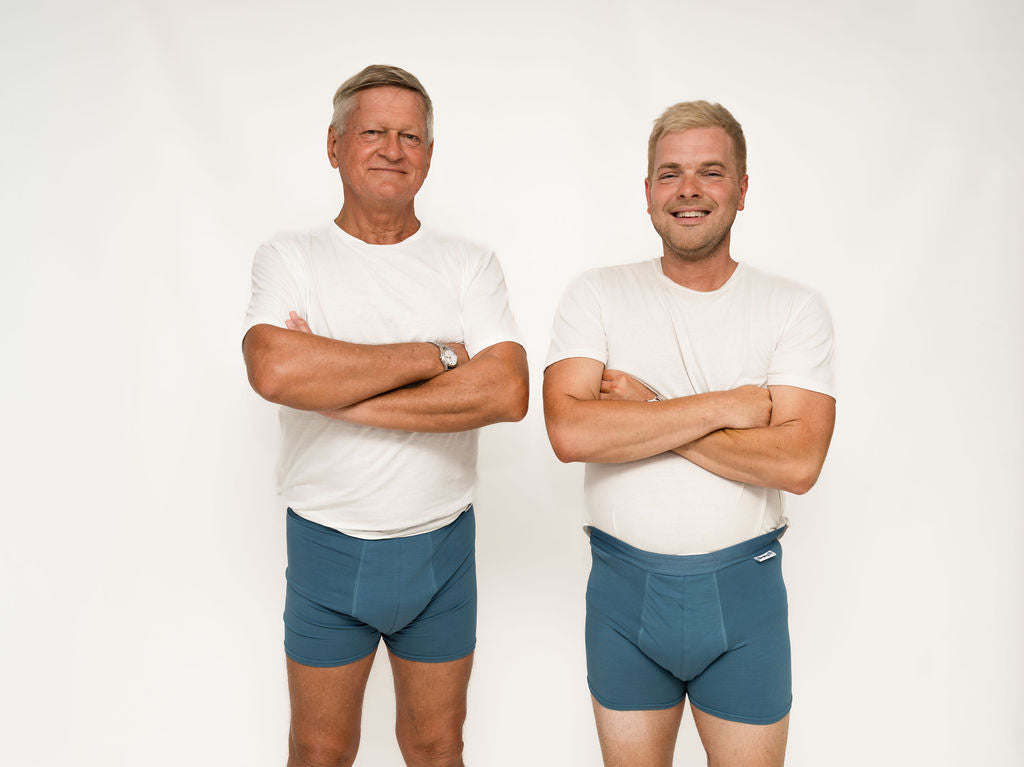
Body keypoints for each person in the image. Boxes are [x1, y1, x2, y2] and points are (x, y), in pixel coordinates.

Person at [242, 64, 528, 767]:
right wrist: (437, 353)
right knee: (319, 749)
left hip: (441, 550)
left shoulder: (468, 263)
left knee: (435, 747)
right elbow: (274, 370)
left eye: (410, 135)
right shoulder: (292, 256)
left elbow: (507, 392)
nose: (392, 148)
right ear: (335, 145)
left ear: (429, 154)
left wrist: (336, 382)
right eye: (373, 131)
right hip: (327, 546)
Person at [543, 101, 836, 767]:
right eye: (670, 174)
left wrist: (653, 412)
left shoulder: (791, 307)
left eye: (710, 172)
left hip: (744, 604)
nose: (689, 190)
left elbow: (797, 460)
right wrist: (727, 407)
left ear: (741, 187)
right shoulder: (597, 295)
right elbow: (569, 429)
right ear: (647, 191)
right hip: (623, 598)